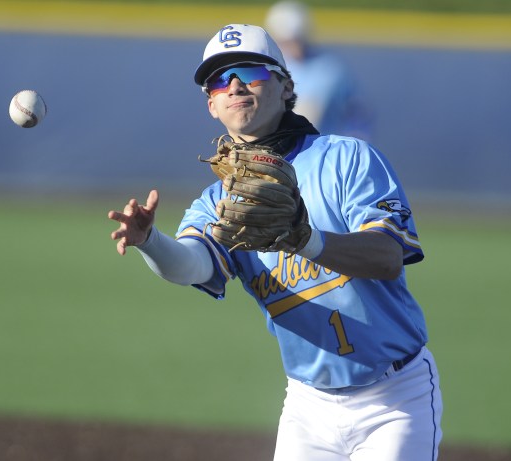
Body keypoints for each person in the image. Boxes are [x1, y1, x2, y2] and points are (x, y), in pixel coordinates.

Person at [108, 23, 442, 461]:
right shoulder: (219, 202)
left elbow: (387, 257)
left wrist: (306, 241)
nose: (235, 85)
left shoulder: (346, 159)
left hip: (394, 399)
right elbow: (191, 266)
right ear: (211, 104)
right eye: (219, 79)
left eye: (251, 71)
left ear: (286, 86)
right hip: (307, 407)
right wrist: (150, 241)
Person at [265, 1, 372, 139]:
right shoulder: (267, 71)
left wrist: (355, 143)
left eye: (297, 39)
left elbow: (358, 114)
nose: (294, 47)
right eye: (286, 41)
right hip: (278, 154)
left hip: (325, 153)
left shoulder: (332, 70)